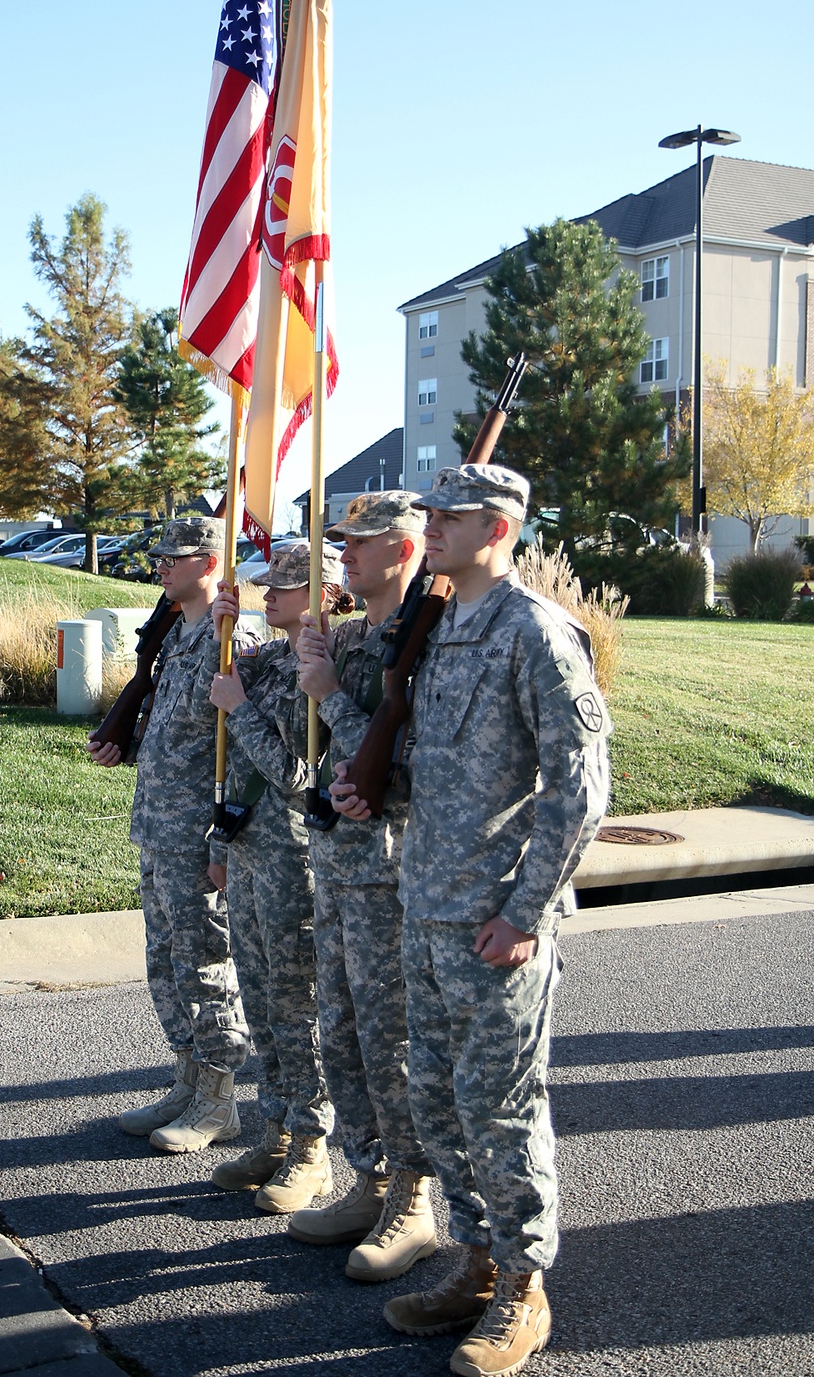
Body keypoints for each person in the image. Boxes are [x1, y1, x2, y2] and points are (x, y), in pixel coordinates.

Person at [333, 464, 611, 1377]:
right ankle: (478, 1262)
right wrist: (375, 789)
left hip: (494, 922)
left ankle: (525, 1290)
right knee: (443, 1105)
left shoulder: (537, 633)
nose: (432, 526)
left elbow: (580, 791)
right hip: (425, 909)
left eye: (448, 515)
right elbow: (448, 766)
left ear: (497, 528)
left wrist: (525, 912)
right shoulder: (448, 628)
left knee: (501, 1106)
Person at [287, 492, 436, 1284]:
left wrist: (330, 694)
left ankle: (414, 1199)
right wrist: (304, 651)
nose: (345, 551)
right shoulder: (353, 637)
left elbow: (402, 765)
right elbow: (309, 743)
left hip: (392, 870)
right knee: (341, 1033)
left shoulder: (428, 639)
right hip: (338, 864)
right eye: (343, 539)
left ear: (406, 548)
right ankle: (368, 1179)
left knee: (392, 1040)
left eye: (363, 541)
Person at [190, 541, 352, 1215]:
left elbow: (297, 778)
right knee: (260, 999)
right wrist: (217, 621)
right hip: (252, 851)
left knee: (296, 1009)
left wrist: (241, 710)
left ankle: (312, 1150)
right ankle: (275, 1129)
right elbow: (216, 699)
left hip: (294, 856)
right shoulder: (269, 658)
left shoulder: (324, 663)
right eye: (268, 585)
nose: (270, 594)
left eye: (287, 586)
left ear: (328, 594)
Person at [86, 517, 253, 1154]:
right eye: (159, 557)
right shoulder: (177, 638)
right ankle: (186, 1079)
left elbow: (241, 750)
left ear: (210, 564)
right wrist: (124, 744)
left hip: (198, 836)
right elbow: (173, 731)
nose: (161, 566)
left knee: (207, 963)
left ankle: (219, 1098)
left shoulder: (229, 640)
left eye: (174, 558)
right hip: (158, 825)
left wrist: (222, 843)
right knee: (166, 963)